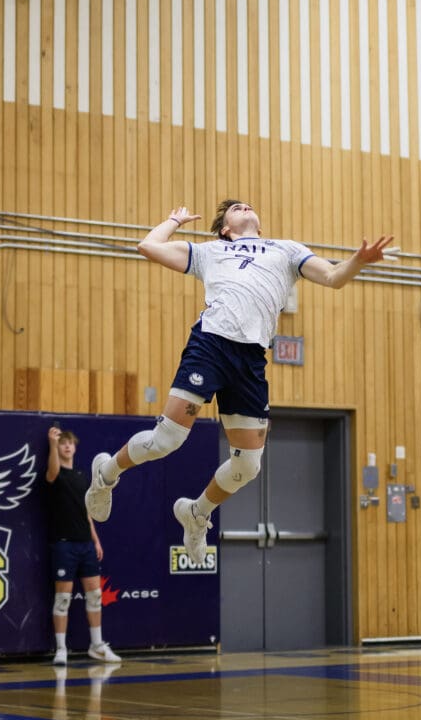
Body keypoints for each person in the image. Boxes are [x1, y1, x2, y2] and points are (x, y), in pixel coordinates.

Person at [85, 200, 394, 567]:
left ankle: (197, 513)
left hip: (251, 359)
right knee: (167, 440)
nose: (243, 206)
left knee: (248, 466)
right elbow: (148, 247)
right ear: (225, 228)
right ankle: (105, 476)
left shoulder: (286, 250)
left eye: (246, 205)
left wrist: (359, 260)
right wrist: (172, 221)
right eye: (234, 208)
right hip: (211, 344)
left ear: (259, 226)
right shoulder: (211, 252)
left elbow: (332, 277)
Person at [45, 425, 121, 666]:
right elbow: (53, 471)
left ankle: (97, 646)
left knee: (95, 595)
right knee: (63, 599)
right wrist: (51, 443)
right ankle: (61, 649)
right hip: (63, 544)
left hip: (85, 544)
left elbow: (86, 512)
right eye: (62, 443)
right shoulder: (55, 474)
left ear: (75, 447)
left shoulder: (81, 476)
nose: (67, 446)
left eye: (70, 443)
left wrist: (95, 540)